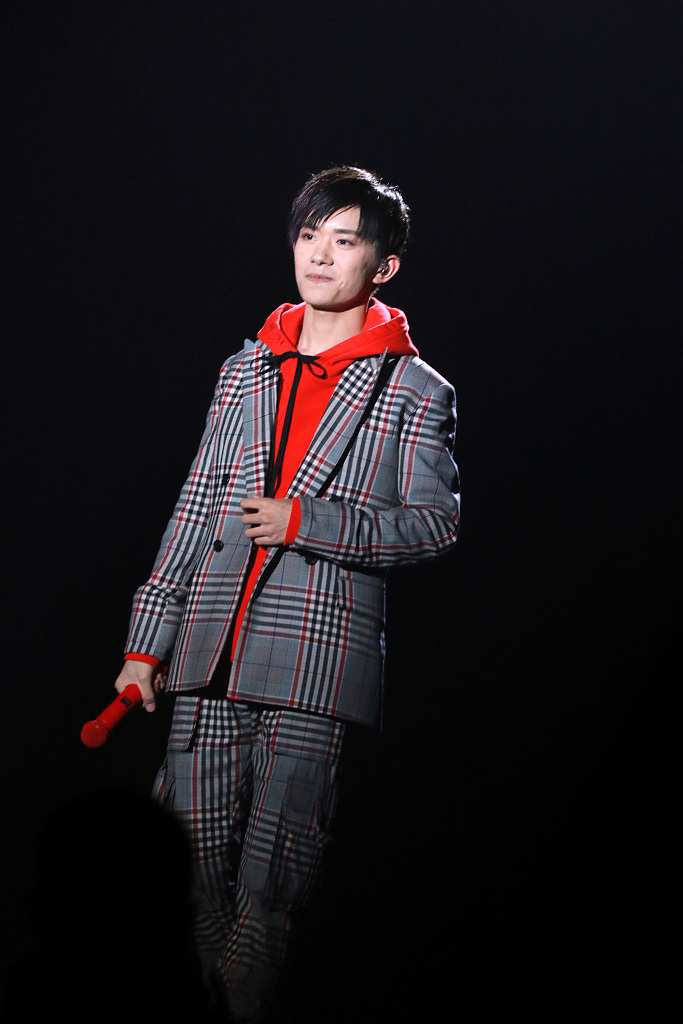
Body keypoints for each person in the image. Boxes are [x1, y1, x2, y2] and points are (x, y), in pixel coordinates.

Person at [114, 166, 460, 1022]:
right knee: (184, 862)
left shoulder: (415, 389)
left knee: (274, 880)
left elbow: (433, 525)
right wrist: (145, 644)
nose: (319, 255)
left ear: (383, 265)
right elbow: (196, 504)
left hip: (313, 659)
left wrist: (307, 521)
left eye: (343, 240)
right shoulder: (245, 369)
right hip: (207, 649)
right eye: (309, 235)